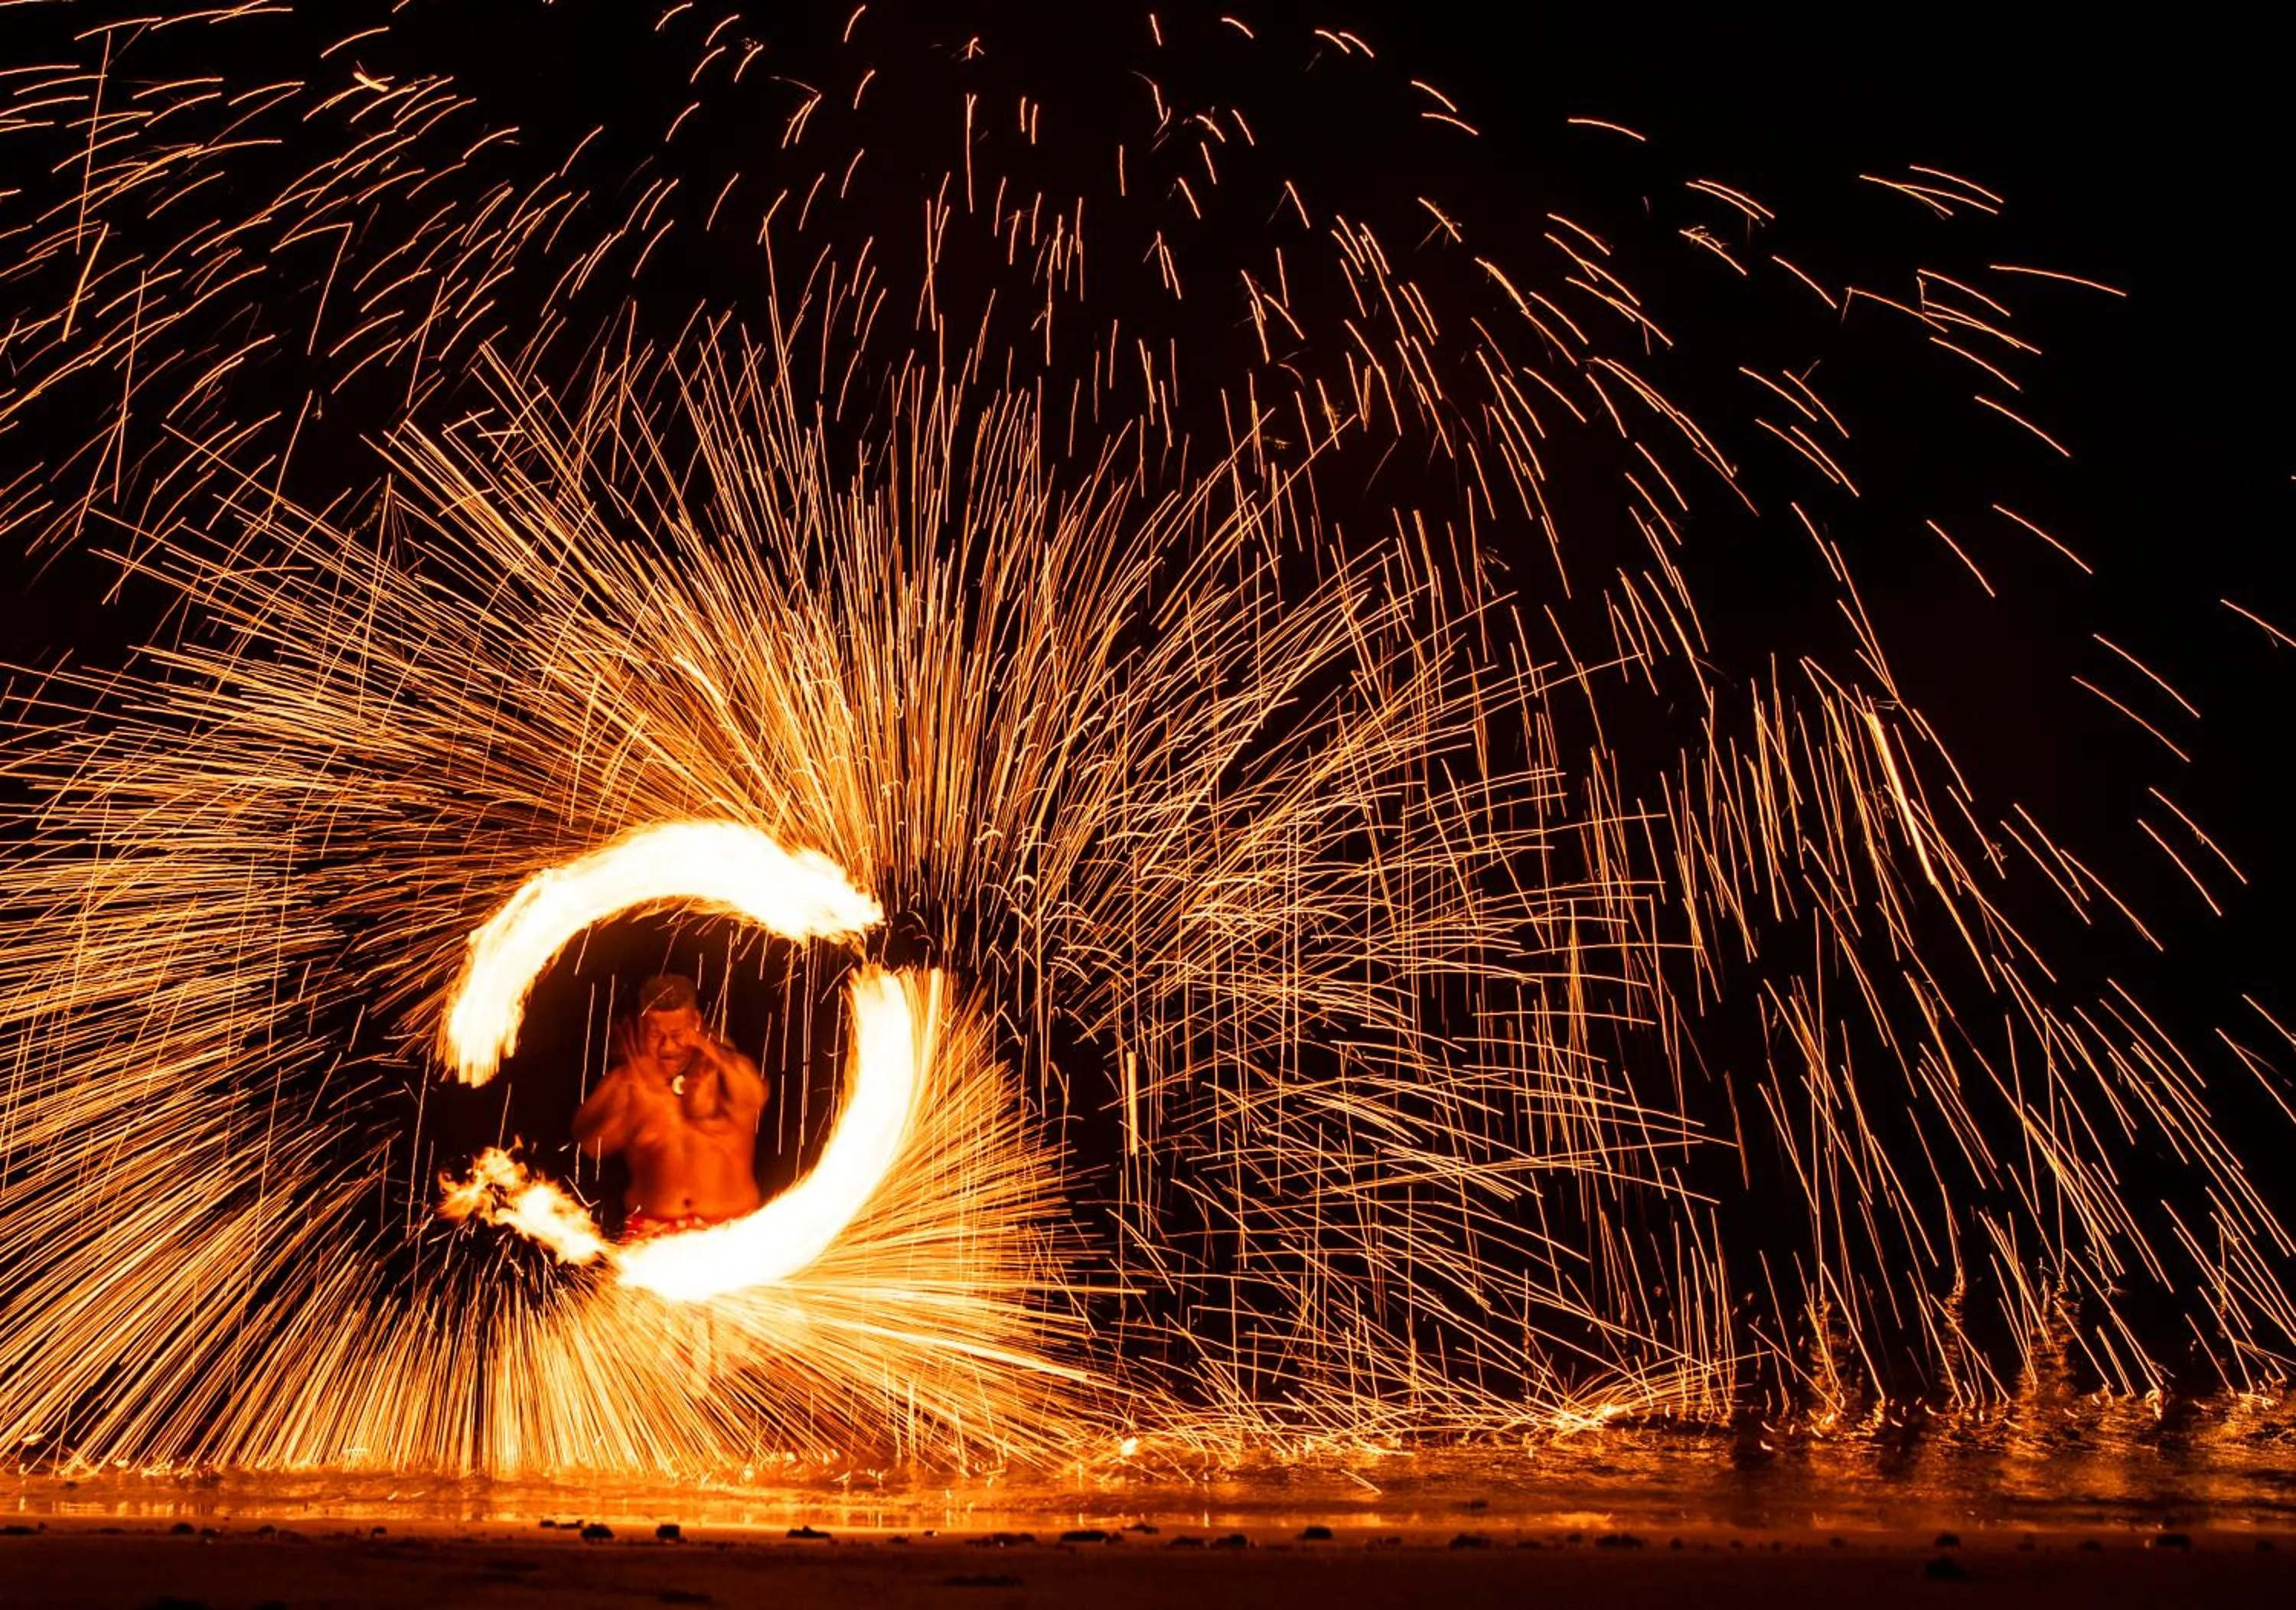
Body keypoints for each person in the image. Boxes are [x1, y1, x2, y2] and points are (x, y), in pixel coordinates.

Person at [571, 973, 768, 1240]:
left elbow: (754, 1098)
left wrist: (712, 1052)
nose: (668, 1046)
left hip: (727, 1233)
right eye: (656, 1035)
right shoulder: (627, 1080)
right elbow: (591, 1144)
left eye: (677, 1034)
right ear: (642, 1029)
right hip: (650, 1234)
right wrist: (628, 1080)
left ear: (696, 1022)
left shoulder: (725, 1073)